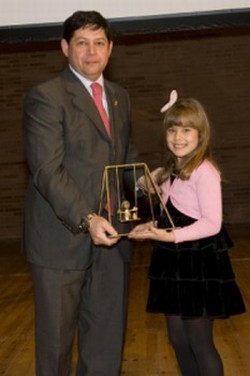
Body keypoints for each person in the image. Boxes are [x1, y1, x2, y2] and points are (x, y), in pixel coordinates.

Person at [22, 10, 140, 376]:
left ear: (111, 48)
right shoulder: (46, 97)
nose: (92, 52)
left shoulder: (119, 97)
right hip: (61, 241)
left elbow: (126, 160)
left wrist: (147, 201)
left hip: (113, 242)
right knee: (55, 349)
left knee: (105, 344)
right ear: (64, 48)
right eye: (82, 43)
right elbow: (47, 170)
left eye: (99, 43)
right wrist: (89, 219)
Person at [128, 94, 246, 376]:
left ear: (200, 134)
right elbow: (171, 213)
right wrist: (150, 227)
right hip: (173, 263)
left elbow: (212, 223)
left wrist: (169, 237)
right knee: (179, 340)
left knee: (199, 342)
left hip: (198, 264)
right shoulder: (171, 169)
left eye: (186, 130)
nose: (178, 137)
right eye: (172, 130)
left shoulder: (204, 171)